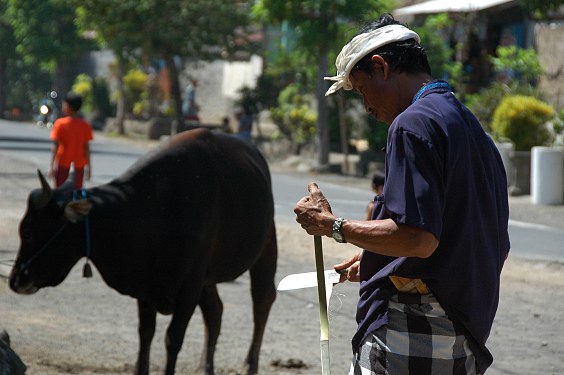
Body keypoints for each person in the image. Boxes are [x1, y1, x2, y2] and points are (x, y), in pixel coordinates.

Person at [294, 14, 509, 375]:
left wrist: (331, 226)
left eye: (362, 89)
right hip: (462, 328)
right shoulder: (467, 124)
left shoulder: (412, 123)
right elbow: (464, 234)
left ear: (381, 67)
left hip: (415, 330)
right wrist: (383, 260)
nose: (366, 106)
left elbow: (418, 238)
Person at [48, 92, 93, 190]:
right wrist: (89, 169)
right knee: (75, 193)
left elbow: (55, 146)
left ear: (67, 106)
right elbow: (87, 149)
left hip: (63, 164)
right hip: (79, 166)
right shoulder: (85, 125)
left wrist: (51, 166)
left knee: (60, 192)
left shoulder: (60, 124)